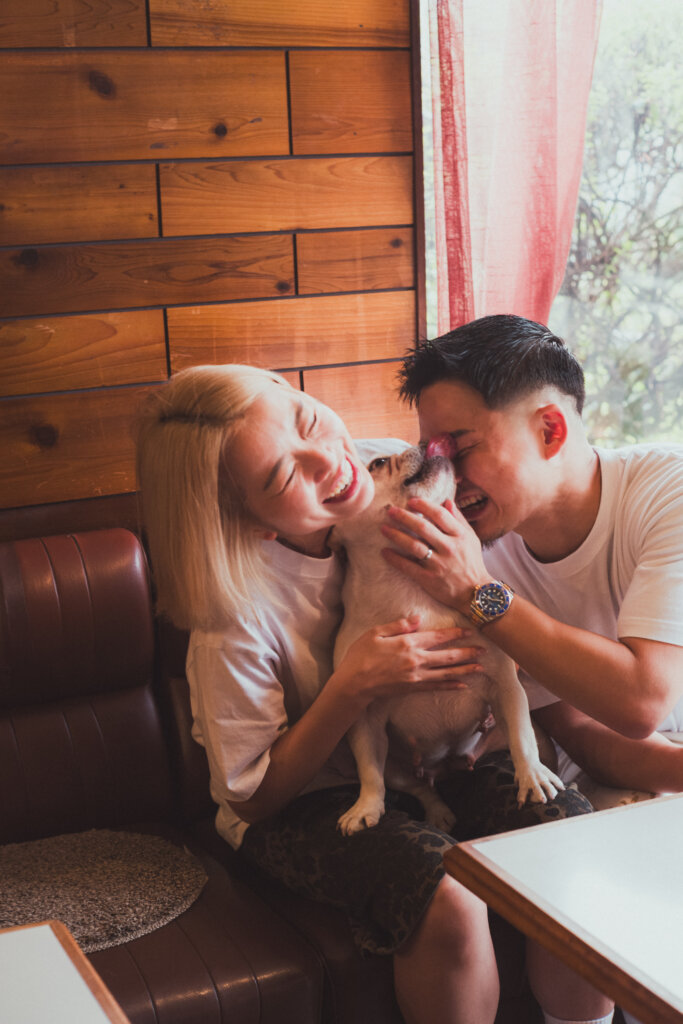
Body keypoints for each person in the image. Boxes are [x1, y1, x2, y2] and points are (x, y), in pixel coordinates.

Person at [136, 362, 613, 1024]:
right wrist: (353, 686)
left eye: (308, 421)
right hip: (298, 802)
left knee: (567, 837)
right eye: (283, 477)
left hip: (437, 753)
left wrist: (478, 596)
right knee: (445, 892)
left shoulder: (384, 467)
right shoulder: (234, 619)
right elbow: (250, 796)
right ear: (250, 519)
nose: (328, 462)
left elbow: (493, 591)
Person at [383, 313, 683, 806]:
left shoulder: (667, 493)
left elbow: (642, 700)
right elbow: (581, 734)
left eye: (462, 448)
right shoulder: (468, 547)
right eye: (434, 455)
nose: (448, 476)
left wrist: (477, 593)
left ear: (550, 430)